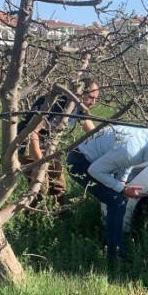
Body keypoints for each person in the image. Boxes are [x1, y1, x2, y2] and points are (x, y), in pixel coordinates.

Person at [66, 125, 148, 261]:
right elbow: (95, 170)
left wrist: (122, 181)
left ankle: (108, 244)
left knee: (119, 199)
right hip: (79, 163)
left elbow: (129, 162)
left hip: (95, 158)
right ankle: (114, 255)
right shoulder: (131, 151)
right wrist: (123, 189)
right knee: (117, 202)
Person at [17, 78, 100, 206]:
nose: (93, 102)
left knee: (58, 185)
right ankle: (30, 217)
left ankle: (59, 215)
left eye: (96, 99)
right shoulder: (56, 103)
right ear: (79, 93)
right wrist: (40, 162)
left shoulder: (79, 107)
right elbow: (32, 132)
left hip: (50, 146)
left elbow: (92, 131)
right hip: (29, 145)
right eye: (91, 97)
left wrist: (108, 140)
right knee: (40, 187)